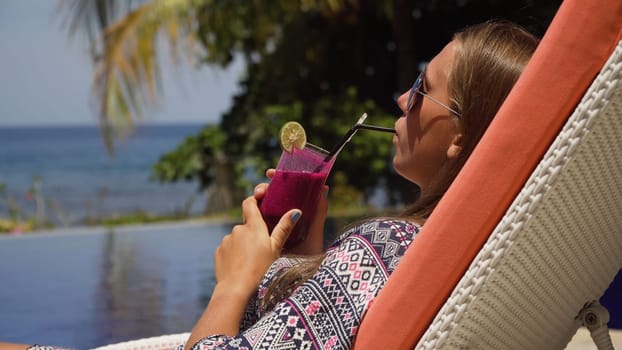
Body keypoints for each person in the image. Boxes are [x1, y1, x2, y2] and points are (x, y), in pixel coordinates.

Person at [2, 20, 539, 350]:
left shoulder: (383, 249)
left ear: (461, 136)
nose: (403, 97)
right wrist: (301, 260)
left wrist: (233, 283)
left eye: (423, 87)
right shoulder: (497, 249)